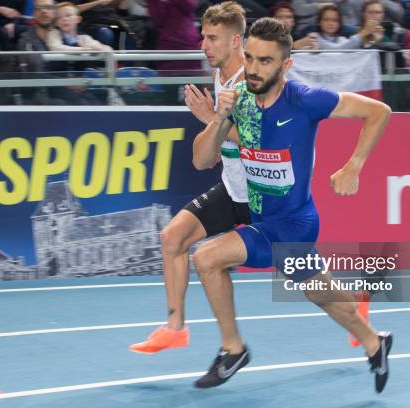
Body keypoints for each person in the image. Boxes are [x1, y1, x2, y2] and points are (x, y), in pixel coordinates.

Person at [190, 17, 393, 392]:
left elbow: (378, 112)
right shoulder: (240, 102)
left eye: (265, 61)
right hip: (265, 219)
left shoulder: (305, 99)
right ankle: (374, 343)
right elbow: (202, 160)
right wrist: (219, 118)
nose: (252, 68)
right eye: (249, 58)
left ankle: (233, 350)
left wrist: (354, 165)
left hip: (294, 223)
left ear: (286, 65)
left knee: (206, 257)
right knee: (324, 295)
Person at [128, 1, 251, 354]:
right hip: (232, 188)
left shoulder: (252, 82)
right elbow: (209, 152)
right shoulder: (221, 74)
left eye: (212, 38)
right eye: (203, 36)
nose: (203, 45)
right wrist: (213, 122)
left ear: (235, 41)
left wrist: (211, 117)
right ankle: (174, 328)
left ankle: (354, 305)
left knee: (304, 275)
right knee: (173, 238)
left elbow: (258, 140)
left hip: (262, 196)